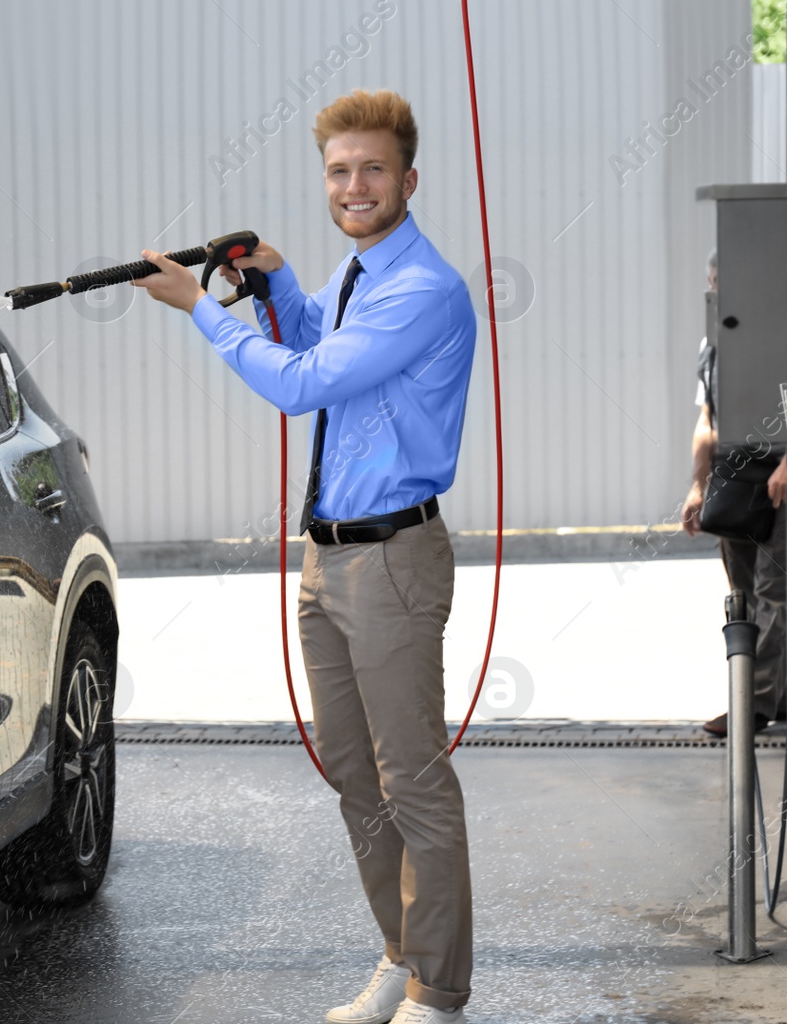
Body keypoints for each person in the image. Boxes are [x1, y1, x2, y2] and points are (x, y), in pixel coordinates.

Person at [134, 89, 477, 1024]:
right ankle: (400, 960)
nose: (354, 185)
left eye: (372, 170)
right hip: (329, 561)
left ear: (409, 179)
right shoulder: (362, 272)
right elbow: (321, 333)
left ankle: (439, 995)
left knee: (413, 779)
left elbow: (303, 382)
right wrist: (279, 283)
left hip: (393, 559)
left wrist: (201, 310)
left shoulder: (421, 287)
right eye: (338, 171)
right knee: (356, 779)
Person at [681, 250, 787, 737]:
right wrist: (697, 485)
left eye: (721, 281)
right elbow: (707, 420)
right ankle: (760, 693)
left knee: (774, 590)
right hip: (734, 471)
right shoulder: (713, 343)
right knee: (742, 593)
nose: (715, 290)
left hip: (779, 475)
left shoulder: (782, 334)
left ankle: (757, 705)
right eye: (711, 282)